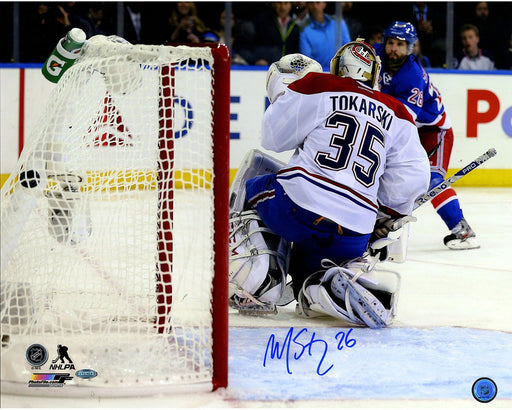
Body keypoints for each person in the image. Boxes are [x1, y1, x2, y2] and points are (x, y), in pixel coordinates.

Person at [228, 41, 430, 328]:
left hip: (298, 211)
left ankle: (260, 282)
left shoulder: (318, 84)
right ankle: (326, 289)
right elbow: (414, 179)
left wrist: (284, 99)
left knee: (253, 176)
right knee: (305, 282)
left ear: (336, 68)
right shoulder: (399, 114)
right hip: (354, 233)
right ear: (374, 75)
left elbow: (272, 138)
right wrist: (384, 217)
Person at [374, 21, 480, 250]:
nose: (393, 48)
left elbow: (405, 117)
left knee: (431, 181)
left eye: (400, 45)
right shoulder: (378, 55)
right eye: (390, 43)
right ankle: (376, 221)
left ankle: (462, 229)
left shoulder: (413, 75)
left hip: (434, 131)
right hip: (406, 130)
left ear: (410, 48)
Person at [299, 1, 350, 69]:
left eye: (318, 2)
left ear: (324, 4)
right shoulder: (304, 29)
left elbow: (348, 49)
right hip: (318, 73)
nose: (314, 6)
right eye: (311, 3)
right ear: (307, 5)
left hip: (340, 72)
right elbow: (307, 60)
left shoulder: (338, 22)